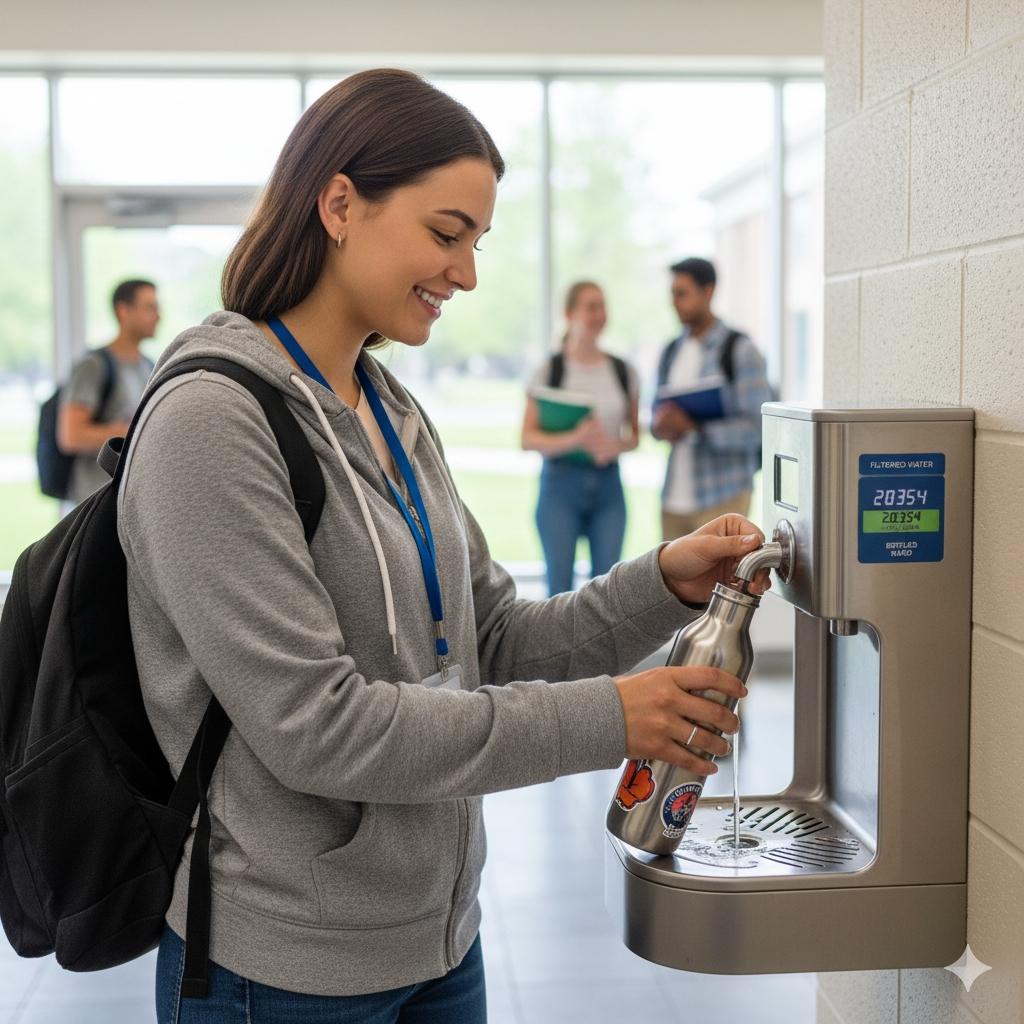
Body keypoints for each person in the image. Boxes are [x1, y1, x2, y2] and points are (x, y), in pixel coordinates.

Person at [118, 70, 769, 1024]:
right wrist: (610, 719)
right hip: (281, 968)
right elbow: (317, 726)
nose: (466, 273)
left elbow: (489, 637)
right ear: (339, 203)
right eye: (445, 232)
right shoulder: (211, 423)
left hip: (438, 942)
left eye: (477, 242)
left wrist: (660, 588)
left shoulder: (388, 406)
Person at [521, 282, 640, 595]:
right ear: (569, 314)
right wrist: (577, 438)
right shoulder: (550, 370)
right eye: (591, 306)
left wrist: (614, 445)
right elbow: (527, 438)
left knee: (608, 592)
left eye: (602, 306)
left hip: (609, 487)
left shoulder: (622, 370)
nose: (599, 314)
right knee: (559, 591)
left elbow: (634, 436)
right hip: (560, 486)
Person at [652, 257, 773, 541]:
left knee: (718, 584)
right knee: (668, 585)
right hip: (674, 498)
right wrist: (662, 425)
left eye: (682, 293)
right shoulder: (671, 351)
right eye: (672, 294)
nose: (674, 302)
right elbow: (656, 414)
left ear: (708, 292)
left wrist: (695, 428)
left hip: (723, 495)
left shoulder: (740, 350)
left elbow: (757, 430)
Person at [57, 279, 158, 505]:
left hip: (130, 501)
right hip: (94, 503)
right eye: (150, 307)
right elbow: (70, 435)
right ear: (123, 310)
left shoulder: (149, 367)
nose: (158, 316)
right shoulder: (94, 365)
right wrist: (133, 432)